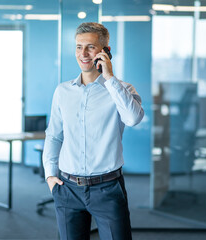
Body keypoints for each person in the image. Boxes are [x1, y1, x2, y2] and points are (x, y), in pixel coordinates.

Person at [43, 22, 144, 240]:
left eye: (90, 47)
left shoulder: (123, 90)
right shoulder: (63, 91)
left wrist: (109, 78)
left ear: (106, 51)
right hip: (67, 188)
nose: (83, 53)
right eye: (79, 47)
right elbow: (54, 135)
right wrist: (50, 175)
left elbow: (134, 118)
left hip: (107, 188)